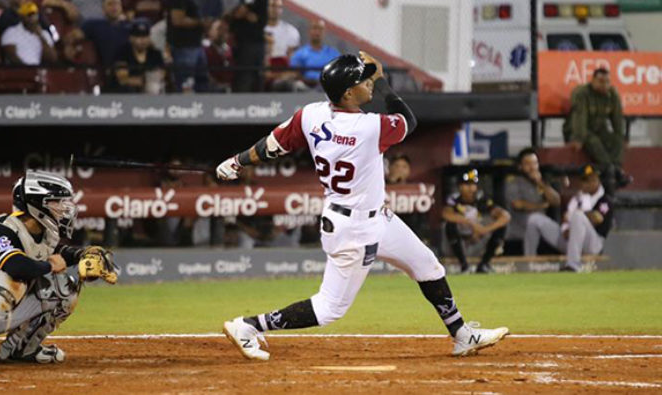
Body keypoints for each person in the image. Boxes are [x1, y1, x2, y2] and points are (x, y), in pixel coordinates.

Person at [215, 53, 508, 361]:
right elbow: (408, 120)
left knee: (427, 264)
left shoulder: (311, 115)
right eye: (362, 80)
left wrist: (235, 162)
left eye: (369, 77)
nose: (368, 81)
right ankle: (248, 326)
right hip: (353, 229)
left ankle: (462, 335)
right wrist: (382, 81)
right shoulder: (369, 127)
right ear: (347, 93)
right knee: (329, 309)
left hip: (376, 218)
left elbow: (271, 146)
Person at [0, 170, 118, 372]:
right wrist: (51, 265)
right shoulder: (1, 229)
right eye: (56, 202)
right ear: (36, 205)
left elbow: (59, 253)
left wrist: (85, 254)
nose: (64, 208)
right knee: (13, 278)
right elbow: (17, 266)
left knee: (65, 288)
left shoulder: (43, 234)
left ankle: (20, 349)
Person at [524, 165, 613, 272]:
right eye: (585, 180)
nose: (589, 183)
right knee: (534, 219)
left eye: (592, 179)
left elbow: (597, 218)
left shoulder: (605, 200)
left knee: (578, 215)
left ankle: (573, 265)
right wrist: (565, 228)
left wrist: (577, 218)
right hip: (570, 240)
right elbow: (566, 219)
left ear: (598, 180)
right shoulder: (577, 198)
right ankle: (528, 263)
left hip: (592, 245)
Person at [562, 68, 631, 189]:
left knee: (616, 140)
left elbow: (617, 119)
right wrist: (578, 138)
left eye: (607, 81)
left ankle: (616, 170)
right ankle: (612, 173)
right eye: (601, 81)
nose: (605, 85)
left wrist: (621, 136)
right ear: (593, 80)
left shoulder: (612, 94)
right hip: (577, 129)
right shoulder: (582, 93)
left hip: (599, 129)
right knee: (594, 142)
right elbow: (580, 118)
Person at [442, 169, 511, 274]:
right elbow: (446, 214)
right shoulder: (454, 199)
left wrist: (484, 229)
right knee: (449, 225)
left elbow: (505, 216)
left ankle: (484, 264)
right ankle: (464, 266)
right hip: (460, 243)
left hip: (479, 241)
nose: (470, 188)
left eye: (472, 184)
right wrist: (471, 224)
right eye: (466, 185)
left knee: (501, 226)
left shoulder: (482, 199)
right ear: (460, 186)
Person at [505, 148, 560, 254]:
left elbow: (556, 201)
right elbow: (518, 205)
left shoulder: (543, 183)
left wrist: (540, 183)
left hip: (543, 234)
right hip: (519, 234)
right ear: (520, 166)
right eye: (528, 164)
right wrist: (542, 206)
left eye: (535, 163)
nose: (532, 168)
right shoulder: (513, 183)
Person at [167, 0, 208, 92]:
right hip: (184, 47)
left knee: (202, 82)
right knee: (186, 83)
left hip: (197, 45)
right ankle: (184, 106)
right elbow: (177, 20)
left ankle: (203, 105)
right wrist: (200, 22)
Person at [113, 20, 165, 93]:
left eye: (145, 36)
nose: (142, 40)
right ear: (131, 38)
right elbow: (123, 79)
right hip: (127, 94)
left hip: (152, 92)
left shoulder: (155, 53)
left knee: (155, 87)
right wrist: (145, 81)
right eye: (138, 36)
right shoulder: (122, 52)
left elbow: (161, 74)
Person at [228, 0, 267, 92]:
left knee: (256, 75)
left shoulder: (261, 3)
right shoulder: (240, 2)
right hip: (239, 43)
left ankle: (258, 102)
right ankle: (241, 102)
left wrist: (244, 12)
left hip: (254, 44)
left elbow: (259, 20)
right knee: (242, 75)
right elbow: (235, 14)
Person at [289, 20, 339, 87]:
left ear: (324, 32)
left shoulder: (333, 53)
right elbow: (294, 74)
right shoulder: (299, 54)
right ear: (309, 31)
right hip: (306, 87)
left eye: (320, 29)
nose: (317, 32)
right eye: (315, 28)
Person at [82, 0, 131, 67]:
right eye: (110, 4)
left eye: (117, 4)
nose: (114, 7)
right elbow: (75, 37)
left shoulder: (129, 27)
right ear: (103, 8)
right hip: (101, 69)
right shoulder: (92, 25)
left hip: (126, 70)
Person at [203, 19, 233, 92]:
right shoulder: (204, 49)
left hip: (228, 88)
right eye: (218, 29)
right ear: (209, 31)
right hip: (209, 88)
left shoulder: (229, 49)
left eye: (225, 30)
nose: (222, 33)